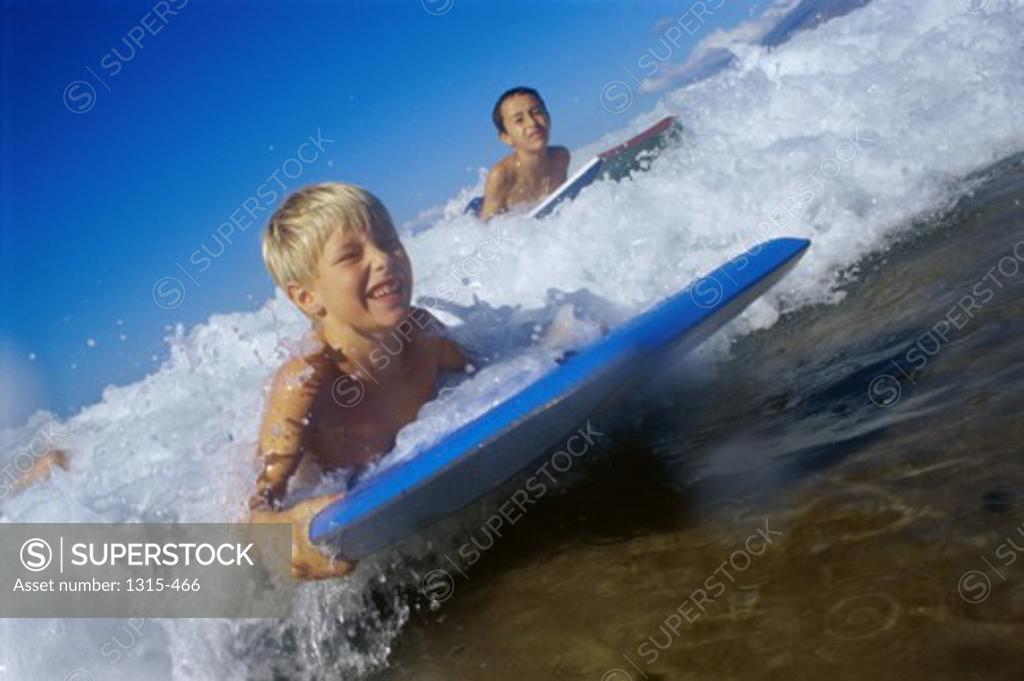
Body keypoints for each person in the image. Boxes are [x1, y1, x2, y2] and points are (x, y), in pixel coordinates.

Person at [249, 183, 469, 580]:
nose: (383, 259)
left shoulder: (425, 335)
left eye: (388, 241)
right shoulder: (305, 381)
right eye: (351, 256)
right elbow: (254, 510)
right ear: (306, 298)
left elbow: (492, 376)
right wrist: (287, 534)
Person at [481, 87, 570, 220]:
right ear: (506, 137)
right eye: (519, 120)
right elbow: (485, 230)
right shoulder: (501, 177)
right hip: (481, 206)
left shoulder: (561, 157)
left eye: (537, 112)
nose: (532, 122)